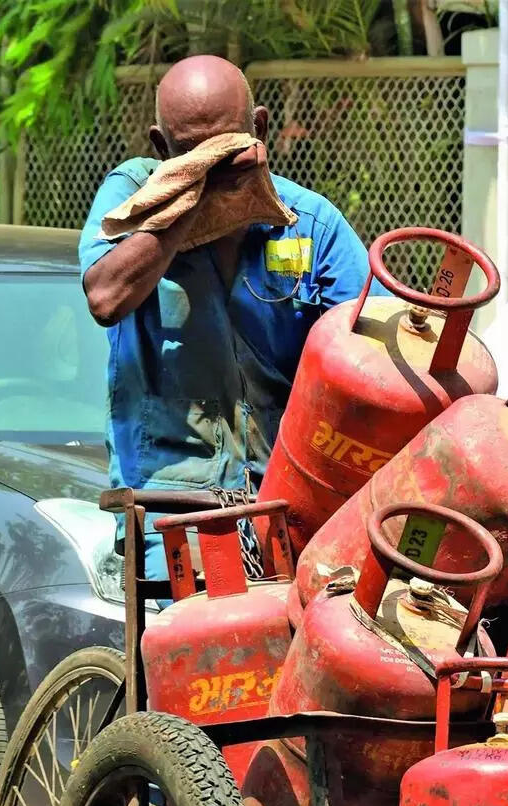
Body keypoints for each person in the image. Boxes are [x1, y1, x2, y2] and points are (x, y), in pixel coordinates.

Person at [78, 54, 373, 581]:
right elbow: (105, 297)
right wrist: (189, 200)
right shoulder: (131, 196)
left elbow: (363, 358)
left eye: (226, 148)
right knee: (194, 652)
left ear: (258, 128)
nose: (213, 168)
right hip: (172, 506)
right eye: (193, 154)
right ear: (161, 147)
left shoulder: (311, 224)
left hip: (289, 502)